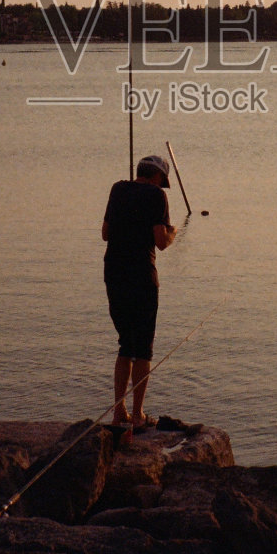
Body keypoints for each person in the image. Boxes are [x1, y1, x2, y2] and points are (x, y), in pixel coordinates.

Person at [101, 153, 177, 429]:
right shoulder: (157, 196)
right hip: (142, 276)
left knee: (125, 343)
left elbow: (105, 233)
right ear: (158, 177)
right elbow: (161, 242)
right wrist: (172, 232)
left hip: (114, 274)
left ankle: (119, 411)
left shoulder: (117, 189)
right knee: (143, 348)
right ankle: (139, 414)